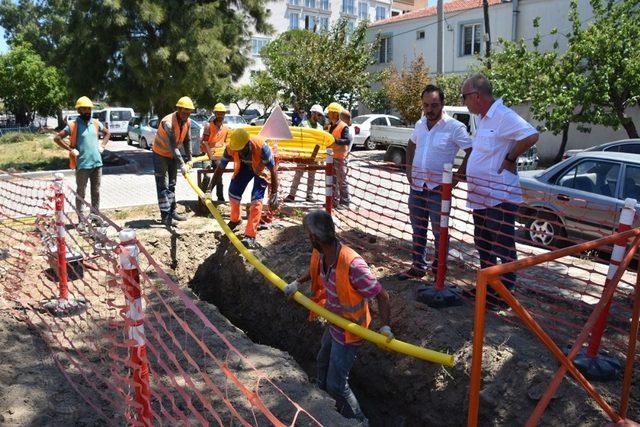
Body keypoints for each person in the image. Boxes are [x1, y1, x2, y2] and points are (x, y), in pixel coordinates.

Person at [283, 210, 392, 422]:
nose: (307, 238)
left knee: (337, 384)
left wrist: (386, 327)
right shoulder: (321, 253)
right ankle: (322, 406)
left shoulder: (353, 265)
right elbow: (314, 271)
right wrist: (297, 283)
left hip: (350, 332)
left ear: (315, 237)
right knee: (322, 363)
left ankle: (360, 422)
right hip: (334, 323)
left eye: (308, 235)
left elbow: (382, 295)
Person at [461, 73, 538, 298]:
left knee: (502, 245)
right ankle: (488, 288)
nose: (463, 101)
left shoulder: (503, 115)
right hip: (482, 197)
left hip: (500, 198)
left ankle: (505, 294)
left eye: (464, 96)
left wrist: (510, 159)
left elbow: (531, 136)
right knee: (482, 242)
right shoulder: (483, 118)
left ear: (476, 96)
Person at [400, 84, 473, 280]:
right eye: (426, 105)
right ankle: (418, 267)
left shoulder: (455, 127)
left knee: (440, 232)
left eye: (434, 105)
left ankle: (439, 270)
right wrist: (408, 170)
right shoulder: (420, 124)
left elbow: (471, 151)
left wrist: (458, 177)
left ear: (442, 104)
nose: (429, 110)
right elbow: (411, 144)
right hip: (417, 187)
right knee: (418, 229)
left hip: (439, 189)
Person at [210, 128, 279, 248]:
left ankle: (250, 235)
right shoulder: (231, 148)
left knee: (256, 199)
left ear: (247, 144)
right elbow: (220, 169)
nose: (239, 153)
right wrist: (208, 190)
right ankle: (235, 219)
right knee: (233, 192)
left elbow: (273, 170)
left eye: (241, 150)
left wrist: (274, 193)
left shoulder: (262, 148)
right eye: (237, 151)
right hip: (245, 167)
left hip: (261, 168)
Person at [54, 96, 110, 223]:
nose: (87, 111)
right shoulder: (73, 125)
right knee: (81, 193)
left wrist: (102, 145)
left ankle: (95, 217)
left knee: (96, 192)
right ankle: (81, 221)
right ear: (79, 110)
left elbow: (107, 133)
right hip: (82, 165)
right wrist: (70, 149)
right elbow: (57, 138)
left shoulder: (95, 123)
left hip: (97, 163)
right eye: (84, 109)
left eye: (89, 108)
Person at [152, 96, 194, 227]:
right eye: (184, 113)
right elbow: (173, 145)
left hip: (172, 155)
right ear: (178, 109)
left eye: (188, 113)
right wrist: (182, 163)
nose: (186, 115)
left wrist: (190, 159)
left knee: (172, 184)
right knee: (162, 185)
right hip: (160, 154)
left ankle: (172, 211)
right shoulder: (168, 122)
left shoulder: (188, 122)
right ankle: (165, 216)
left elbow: (187, 141)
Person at [285, 104, 324, 203]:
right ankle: (291, 195)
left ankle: (309, 196)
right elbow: (298, 139)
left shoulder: (320, 128)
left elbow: (321, 143)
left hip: (314, 155)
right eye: (318, 115)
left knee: (312, 176)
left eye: (320, 115)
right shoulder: (303, 125)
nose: (319, 117)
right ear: (313, 113)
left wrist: (321, 158)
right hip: (303, 154)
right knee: (298, 174)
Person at [201, 103, 229, 202]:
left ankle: (220, 198)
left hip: (218, 156)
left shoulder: (226, 128)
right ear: (215, 113)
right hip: (207, 155)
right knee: (207, 176)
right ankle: (203, 198)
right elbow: (204, 143)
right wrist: (210, 155)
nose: (220, 115)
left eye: (222, 113)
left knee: (219, 176)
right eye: (218, 113)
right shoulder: (208, 126)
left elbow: (225, 142)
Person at [326, 102, 352, 208]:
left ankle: (345, 202)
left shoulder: (343, 126)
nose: (328, 114)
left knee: (342, 181)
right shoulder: (329, 126)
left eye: (331, 112)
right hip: (331, 157)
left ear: (336, 114)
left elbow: (346, 141)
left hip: (340, 158)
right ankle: (333, 202)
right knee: (332, 181)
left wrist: (335, 140)